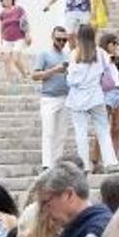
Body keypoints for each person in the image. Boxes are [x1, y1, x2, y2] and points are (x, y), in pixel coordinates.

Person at [67, 25, 119, 173]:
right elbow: (108, 71)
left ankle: (84, 166)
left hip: (77, 99)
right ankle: (111, 163)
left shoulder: (74, 54)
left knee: (81, 132)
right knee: (103, 131)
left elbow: (71, 80)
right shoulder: (101, 53)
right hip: (97, 97)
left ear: (79, 37)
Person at [32, 27, 73, 171]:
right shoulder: (44, 54)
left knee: (61, 133)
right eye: (59, 39)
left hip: (66, 97)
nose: (62, 42)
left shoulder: (68, 55)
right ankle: (47, 164)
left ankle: (56, 163)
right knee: (48, 132)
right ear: (52, 38)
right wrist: (55, 70)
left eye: (64, 40)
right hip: (49, 98)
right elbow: (35, 76)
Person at [0, 0, 31, 80]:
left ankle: (24, 74)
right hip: (6, 39)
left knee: (15, 58)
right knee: (6, 59)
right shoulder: (2, 14)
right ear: (2, 1)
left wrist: (27, 35)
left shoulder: (19, 9)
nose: (7, 0)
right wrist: (0, 43)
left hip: (19, 38)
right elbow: (1, 28)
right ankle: (9, 80)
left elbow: (25, 23)